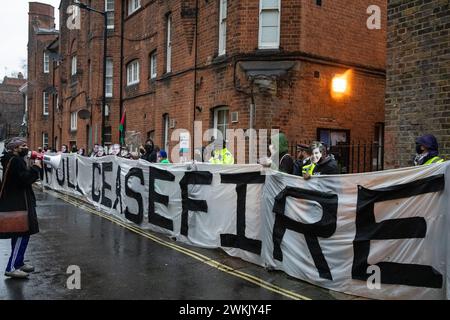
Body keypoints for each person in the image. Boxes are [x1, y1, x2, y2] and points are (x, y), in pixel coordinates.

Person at [0, 137, 41, 279]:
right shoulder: (15, 161)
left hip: (19, 201)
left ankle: (18, 262)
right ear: (14, 148)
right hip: (19, 203)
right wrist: (36, 168)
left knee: (23, 233)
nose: (26, 147)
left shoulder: (12, 160)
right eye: (23, 145)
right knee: (21, 234)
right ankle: (11, 267)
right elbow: (25, 179)